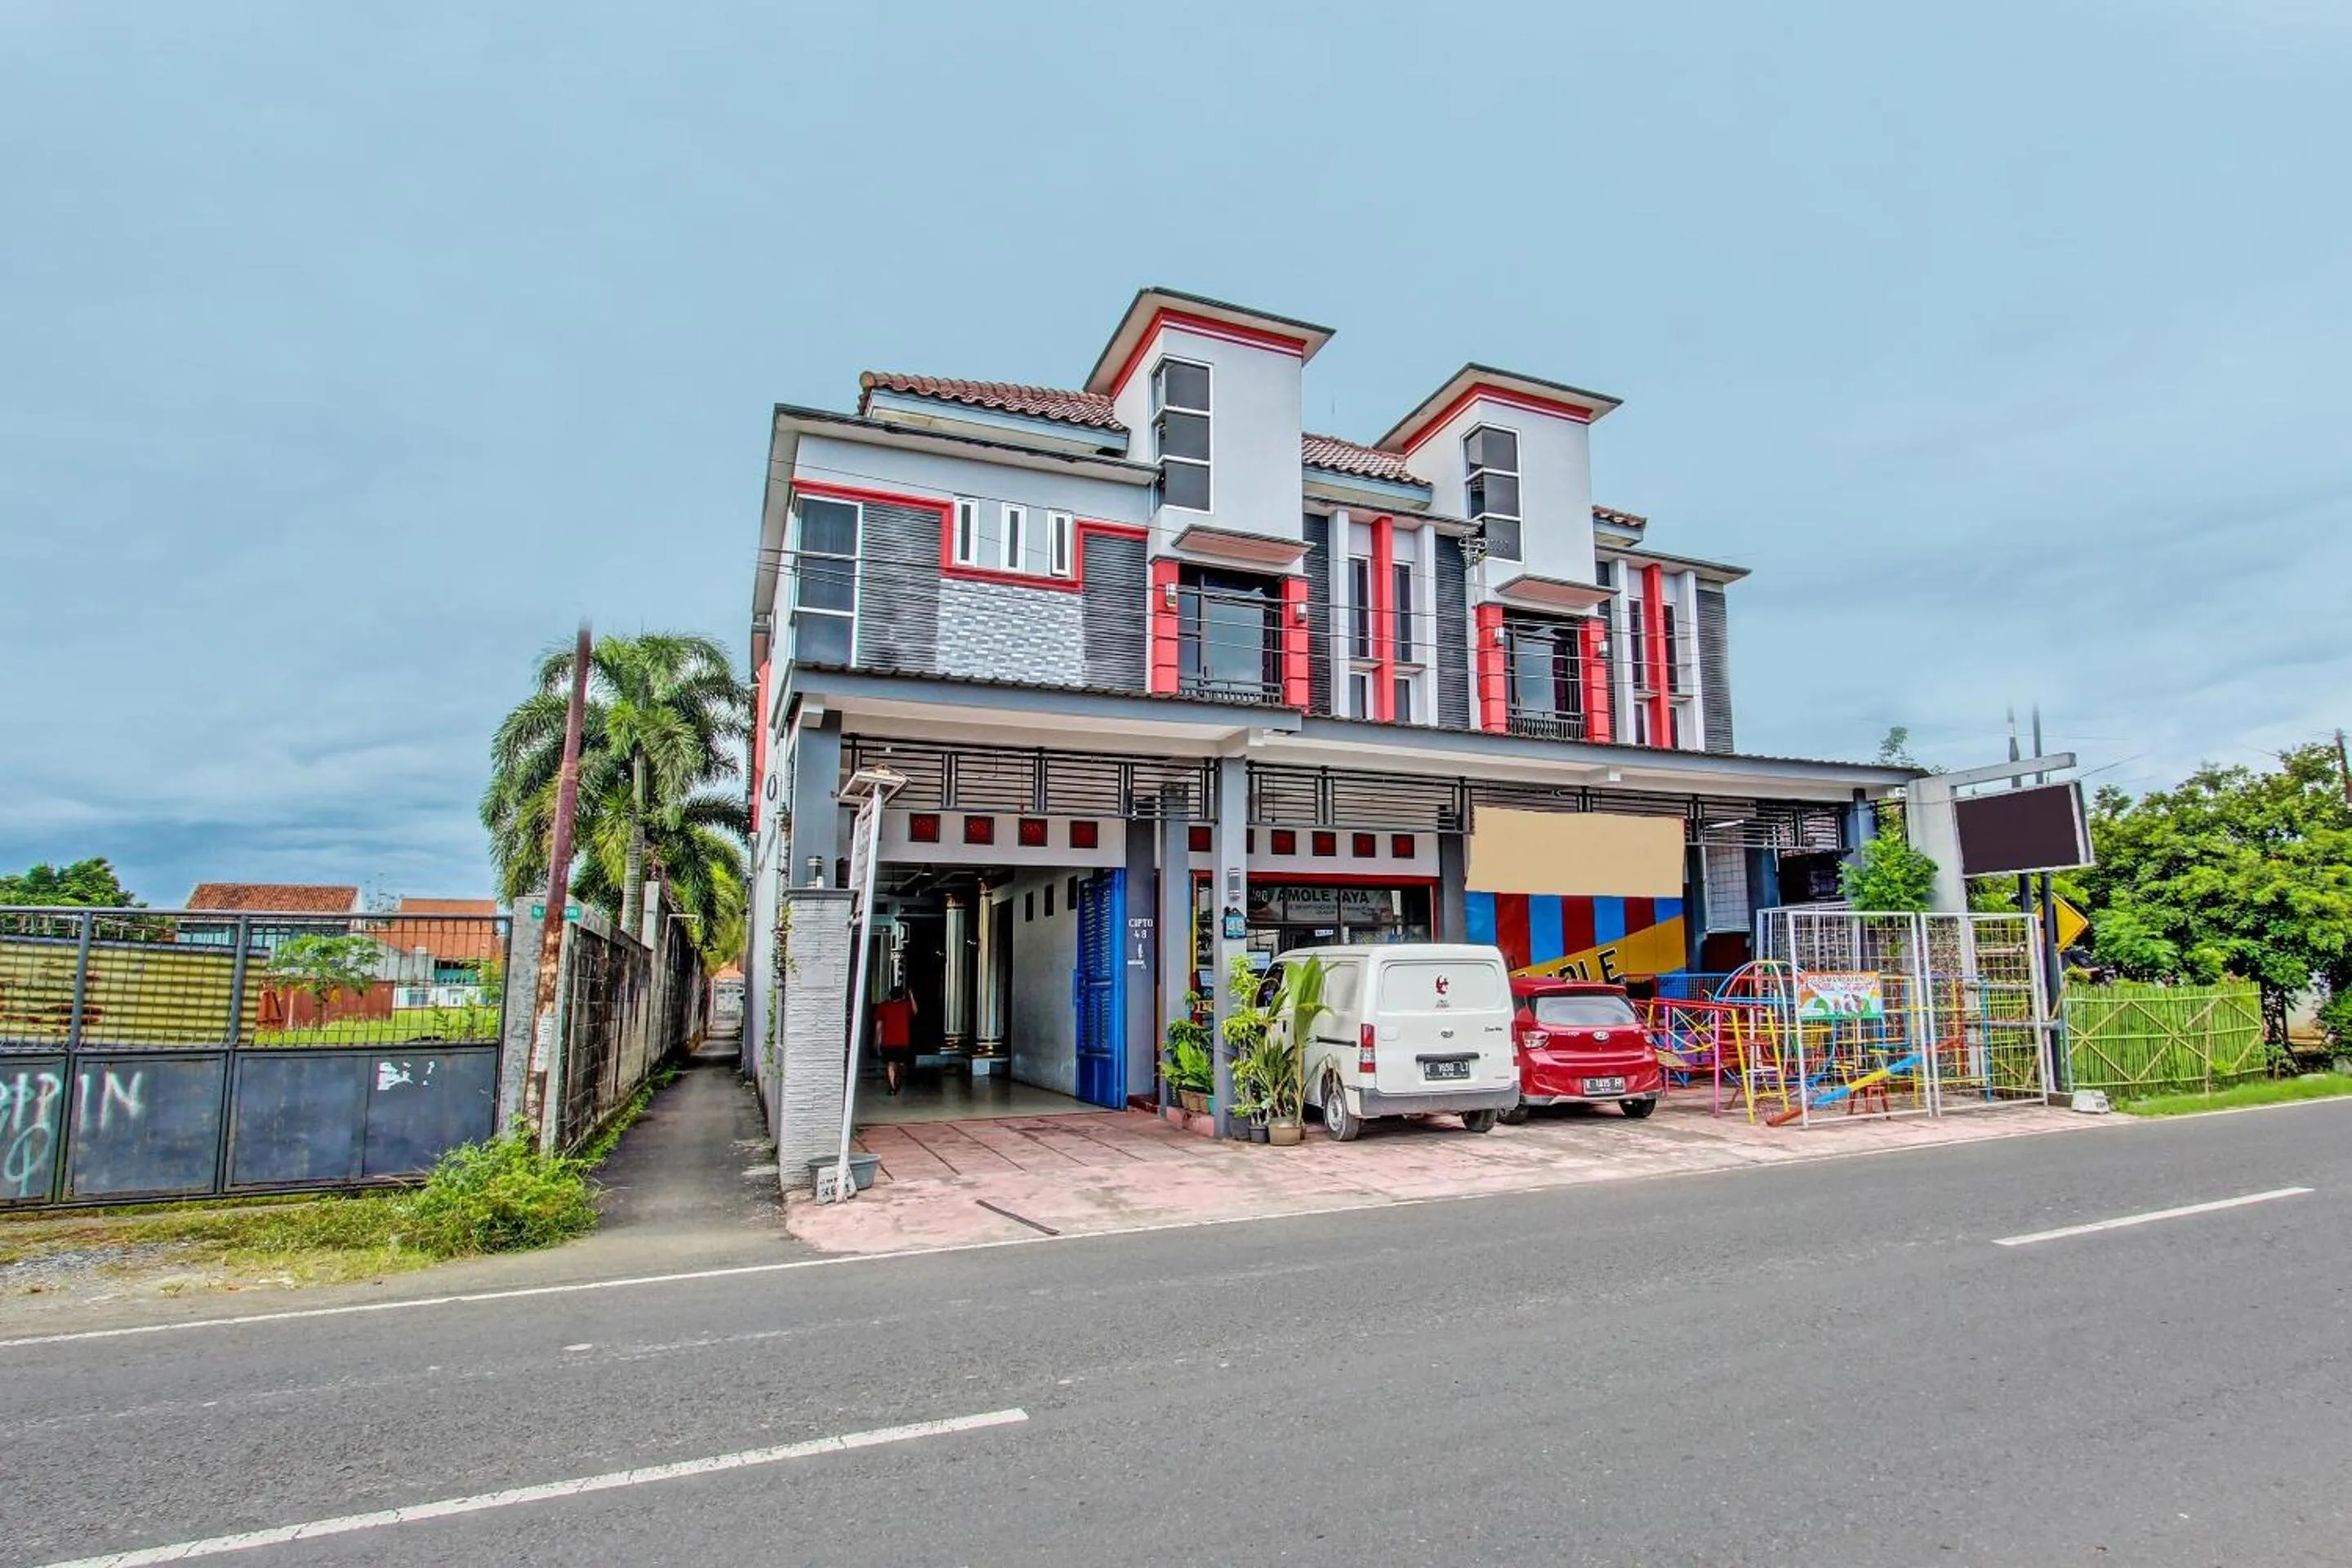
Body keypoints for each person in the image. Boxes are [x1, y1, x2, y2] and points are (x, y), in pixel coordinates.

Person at [874, 985, 918, 1095]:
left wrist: (877, 1039)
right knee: (898, 1063)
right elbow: (915, 1011)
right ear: (902, 996)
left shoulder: (883, 1006)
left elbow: (879, 1025)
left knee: (891, 1063)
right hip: (902, 1041)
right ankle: (896, 1082)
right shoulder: (905, 1005)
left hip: (887, 1040)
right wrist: (911, 996)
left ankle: (893, 1086)